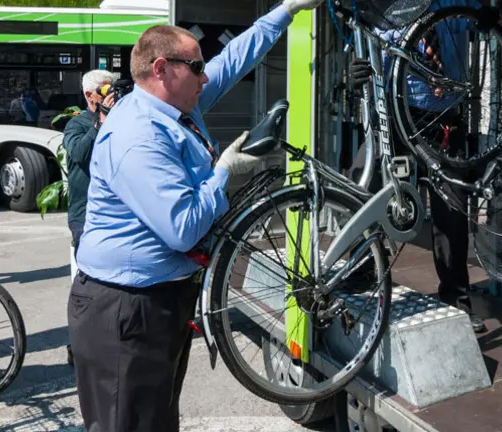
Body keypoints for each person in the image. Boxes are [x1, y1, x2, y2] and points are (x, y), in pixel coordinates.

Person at [67, 0, 323, 430]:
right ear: (163, 68)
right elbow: (182, 229)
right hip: (126, 311)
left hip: (158, 300)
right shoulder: (138, 136)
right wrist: (223, 173)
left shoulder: (176, 106)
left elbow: (236, 58)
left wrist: (286, 10)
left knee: (159, 421)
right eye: (197, 67)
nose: (206, 75)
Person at [347, 0, 502, 333]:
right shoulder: (383, 7)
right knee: (362, 186)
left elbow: (482, 19)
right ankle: (361, 275)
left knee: (453, 208)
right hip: (395, 112)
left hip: (443, 116)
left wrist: (495, 10)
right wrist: (354, 69)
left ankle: (456, 300)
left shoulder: (452, 3)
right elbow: (360, 42)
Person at [62, 69, 117, 367]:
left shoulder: (121, 119)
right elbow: (79, 154)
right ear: (89, 96)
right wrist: (101, 122)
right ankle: (79, 347)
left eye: (114, 87)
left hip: (115, 213)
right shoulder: (77, 123)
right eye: (106, 89)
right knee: (85, 285)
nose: (112, 93)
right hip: (85, 215)